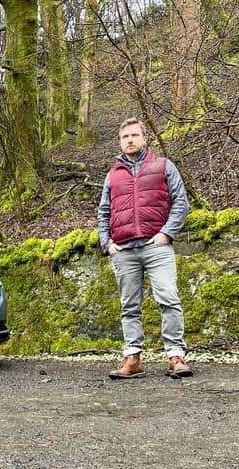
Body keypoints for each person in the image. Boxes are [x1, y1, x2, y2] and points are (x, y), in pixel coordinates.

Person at [97, 117, 193, 379]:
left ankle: (175, 356)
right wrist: (108, 244)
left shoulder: (163, 165)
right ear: (120, 141)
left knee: (169, 299)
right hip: (124, 250)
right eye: (125, 136)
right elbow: (104, 212)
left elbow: (180, 202)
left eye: (134, 135)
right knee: (129, 306)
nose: (130, 140)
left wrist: (166, 233)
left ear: (144, 138)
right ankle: (133, 359)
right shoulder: (113, 174)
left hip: (156, 246)